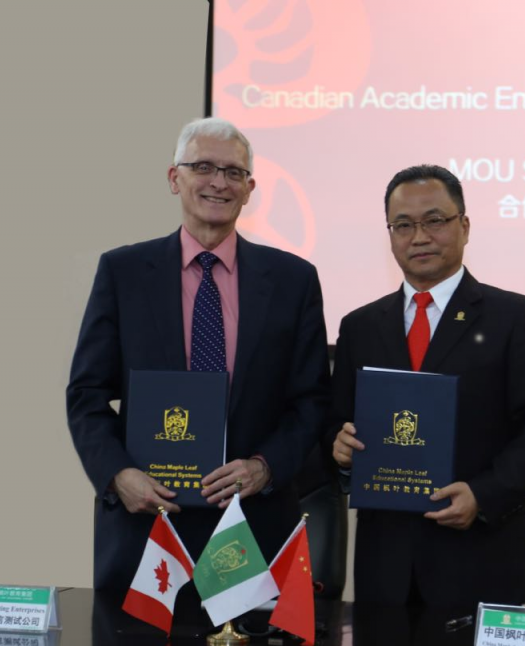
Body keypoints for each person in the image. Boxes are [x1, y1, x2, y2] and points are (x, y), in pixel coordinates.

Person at [68, 117, 330, 594]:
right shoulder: (123, 272)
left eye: (233, 172)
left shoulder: (293, 280)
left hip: (252, 526)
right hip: (145, 526)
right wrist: (117, 474)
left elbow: (311, 401)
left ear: (250, 188)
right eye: (203, 167)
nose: (218, 182)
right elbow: (86, 394)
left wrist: (264, 467)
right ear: (175, 178)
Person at [329, 164, 525, 610]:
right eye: (403, 225)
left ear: (464, 226)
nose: (419, 236)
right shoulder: (360, 326)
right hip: (386, 569)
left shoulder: (513, 318)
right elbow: (335, 423)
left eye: (434, 221)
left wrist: (484, 495)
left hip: (480, 557)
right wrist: (341, 452)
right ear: (389, 234)